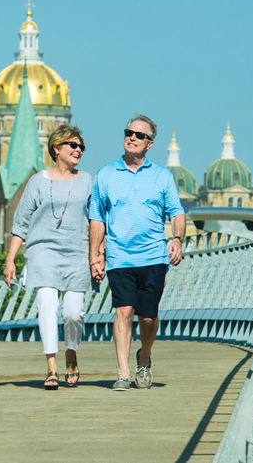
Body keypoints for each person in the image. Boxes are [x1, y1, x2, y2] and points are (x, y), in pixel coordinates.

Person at [88, 115, 185, 391]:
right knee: (123, 310)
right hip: (119, 257)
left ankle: (144, 356)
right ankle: (123, 372)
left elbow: (177, 213)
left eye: (139, 135)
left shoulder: (162, 176)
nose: (132, 137)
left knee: (147, 317)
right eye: (129, 132)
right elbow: (97, 219)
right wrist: (95, 254)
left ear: (150, 143)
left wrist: (177, 239)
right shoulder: (105, 175)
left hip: (154, 256)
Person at [4, 124, 93, 390]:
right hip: (42, 251)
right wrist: (10, 260)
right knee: (46, 304)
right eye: (72, 145)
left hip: (77, 251)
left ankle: (71, 353)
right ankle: (51, 366)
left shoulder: (88, 180)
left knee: (74, 312)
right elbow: (20, 224)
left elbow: (99, 220)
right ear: (56, 149)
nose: (78, 150)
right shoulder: (37, 181)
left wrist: (99, 253)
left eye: (81, 146)